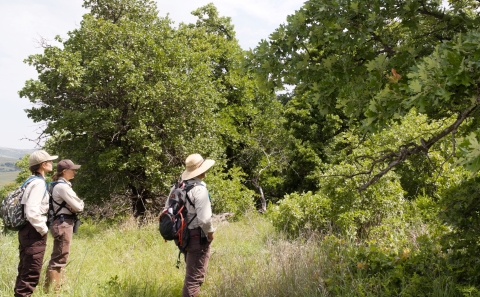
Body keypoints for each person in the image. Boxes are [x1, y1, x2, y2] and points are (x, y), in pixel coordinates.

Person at [14, 150, 58, 297]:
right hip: (34, 231)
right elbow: (32, 212)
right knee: (30, 274)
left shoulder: (30, 180)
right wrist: (43, 229)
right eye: (49, 161)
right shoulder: (39, 183)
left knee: (24, 271)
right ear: (43, 165)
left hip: (26, 230)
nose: (52, 163)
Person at [175, 153, 216, 297]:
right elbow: (204, 220)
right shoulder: (200, 190)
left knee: (193, 274)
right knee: (193, 279)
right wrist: (210, 234)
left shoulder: (178, 187)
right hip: (197, 237)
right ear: (201, 170)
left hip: (183, 236)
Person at [44, 159, 84, 293]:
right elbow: (79, 206)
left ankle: (51, 289)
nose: (74, 172)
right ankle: (55, 291)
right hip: (63, 223)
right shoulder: (62, 186)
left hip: (61, 222)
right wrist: (78, 205)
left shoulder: (60, 185)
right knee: (59, 259)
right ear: (64, 171)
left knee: (60, 257)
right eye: (73, 170)